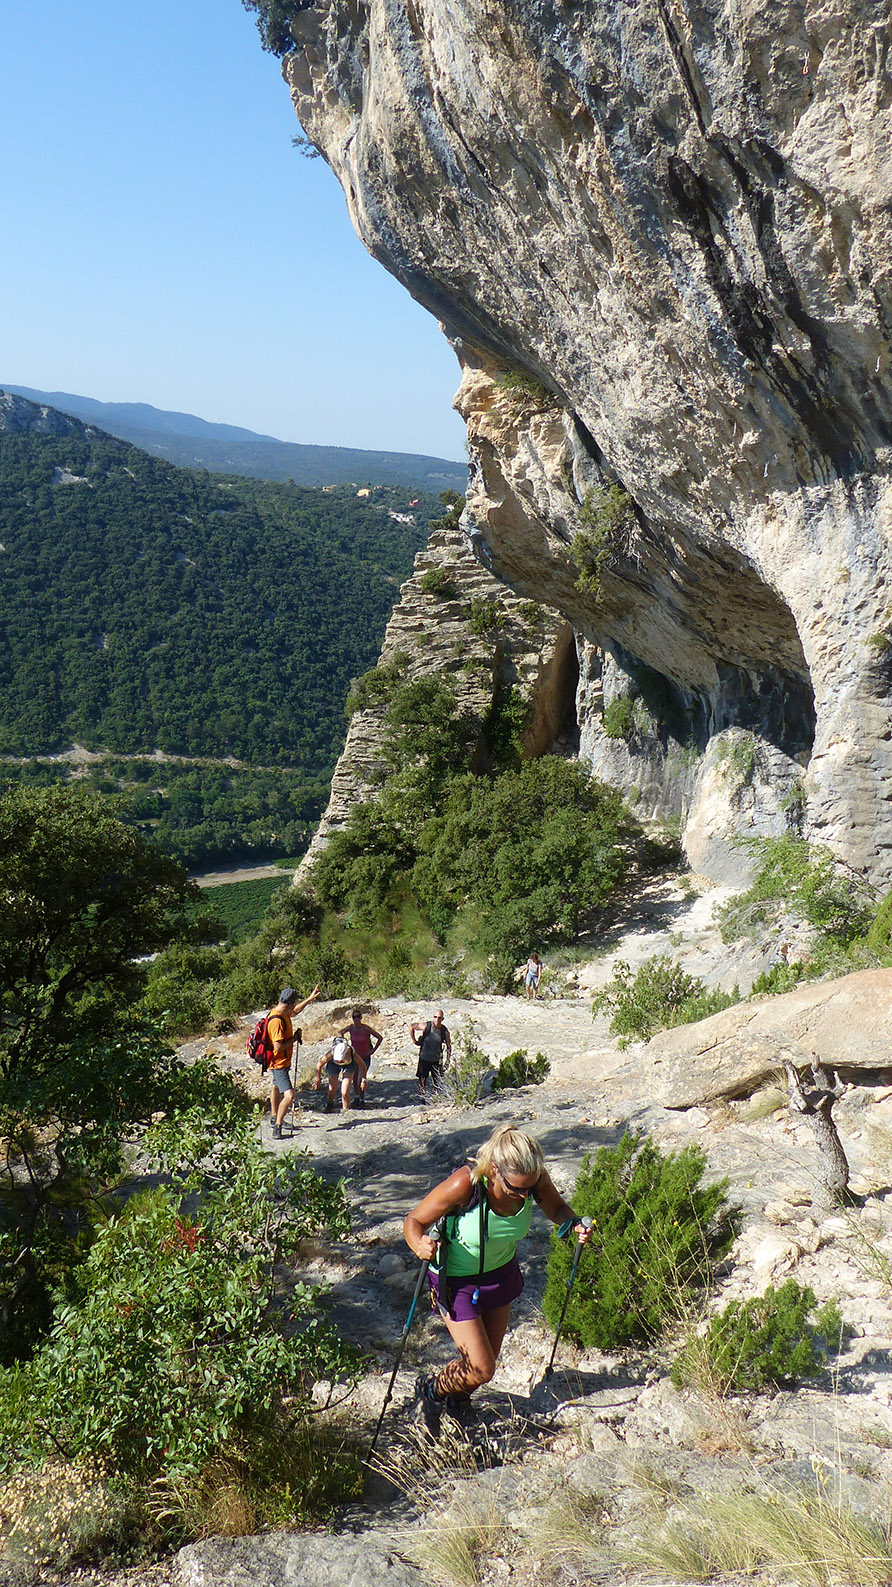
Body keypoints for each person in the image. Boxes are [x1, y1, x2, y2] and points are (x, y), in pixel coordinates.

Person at [403, 1123, 591, 1434]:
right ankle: (432, 1391)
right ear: (494, 1170)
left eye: (529, 1188)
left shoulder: (533, 1179)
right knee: (482, 1367)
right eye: (516, 1188)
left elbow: (557, 1208)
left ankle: (458, 1401)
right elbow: (414, 1220)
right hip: (457, 1281)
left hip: (501, 1274)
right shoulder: (465, 1184)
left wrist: (573, 1224)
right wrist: (418, 1245)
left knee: (487, 1359)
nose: (524, 1195)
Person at [267, 984, 320, 1139]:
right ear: (290, 1003)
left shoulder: (281, 1012)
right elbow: (278, 1046)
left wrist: (309, 999)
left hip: (279, 1062)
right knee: (289, 1095)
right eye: (294, 1003)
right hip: (279, 1063)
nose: (294, 1006)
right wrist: (295, 1038)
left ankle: (274, 1117)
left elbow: (295, 1012)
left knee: (276, 1087)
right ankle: (277, 1126)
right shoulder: (277, 1021)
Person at [339, 1007, 383, 1108]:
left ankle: (362, 1099)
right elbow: (341, 1032)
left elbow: (379, 1038)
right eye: (354, 1017)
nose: (356, 1019)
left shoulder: (365, 1028)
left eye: (358, 1016)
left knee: (361, 1078)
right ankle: (357, 1097)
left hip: (365, 1056)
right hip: (354, 1056)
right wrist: (344, 1043)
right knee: (354, 1078)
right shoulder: (351, 1028)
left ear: (361, 1018)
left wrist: (373, 1051)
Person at [314, 1034, 366, 1114]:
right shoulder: (331, 1053)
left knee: (345, 1091)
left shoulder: (352, 1053)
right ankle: (330, 1104)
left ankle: (346, 1111)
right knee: (332, 1089)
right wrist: (318, 1080)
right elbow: (319, 1064)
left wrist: (363, 1080)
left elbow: (363, 1066)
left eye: (341, 1060)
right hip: (333, 1065)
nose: (339, 1061)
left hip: (349, 1065)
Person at [410, 1009, 451, 1096]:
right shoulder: (426, 1026)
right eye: (435, 1017)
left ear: (442, 1019)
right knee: (422, 1080)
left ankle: (434, 1097)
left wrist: (448, 1060)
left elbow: (449, 1046)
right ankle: (422, 1097)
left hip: (436, 1060)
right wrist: (414, 1041)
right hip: (424, 1058)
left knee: (436, 1081)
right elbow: (412, 1026)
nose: (437, 1019)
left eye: (439, 1018)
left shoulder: (444, 1031)